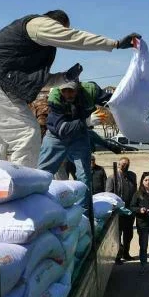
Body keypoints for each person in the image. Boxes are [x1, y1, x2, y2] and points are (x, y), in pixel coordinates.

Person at [0, 10, 139, 167]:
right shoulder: (39, 24)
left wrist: (64, 77)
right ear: (57, 24)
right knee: (27, 134)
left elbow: (34, 81)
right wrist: (114, 43)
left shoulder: (30, 47)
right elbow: (74, 37)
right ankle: (22, 190)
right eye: (61, 30)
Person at [37, 80, 112, 210]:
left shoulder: (90, 90)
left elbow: (110, 100)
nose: (68, 94)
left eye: (71, 90)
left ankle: (84, 211)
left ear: (78, 88)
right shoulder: (54, 100)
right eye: (64, 91)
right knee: (43, 173)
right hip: (57, 135)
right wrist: (86, 121)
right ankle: (39, 205)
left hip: (79, 135)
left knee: (84, 175)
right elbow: (62, 129)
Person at [106, 156, 137, 264]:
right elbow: (109, 195)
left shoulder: (132, 176)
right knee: (117, 235)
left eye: (127, 164)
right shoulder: (112, 178)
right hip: (118, 213)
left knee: (128, 234)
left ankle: (126, 253)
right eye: (123, 164)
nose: (125, 166)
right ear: (118, 165)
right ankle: (117, 256)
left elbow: (135, 191)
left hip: (129, 211)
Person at [130, 172, 149, 274]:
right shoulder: (138, 194)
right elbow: (132, 207)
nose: (148, 182)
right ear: (142, 181)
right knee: (143, 246)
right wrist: (139, 210)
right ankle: (143, 265)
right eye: (146, 180)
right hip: (143, 224)